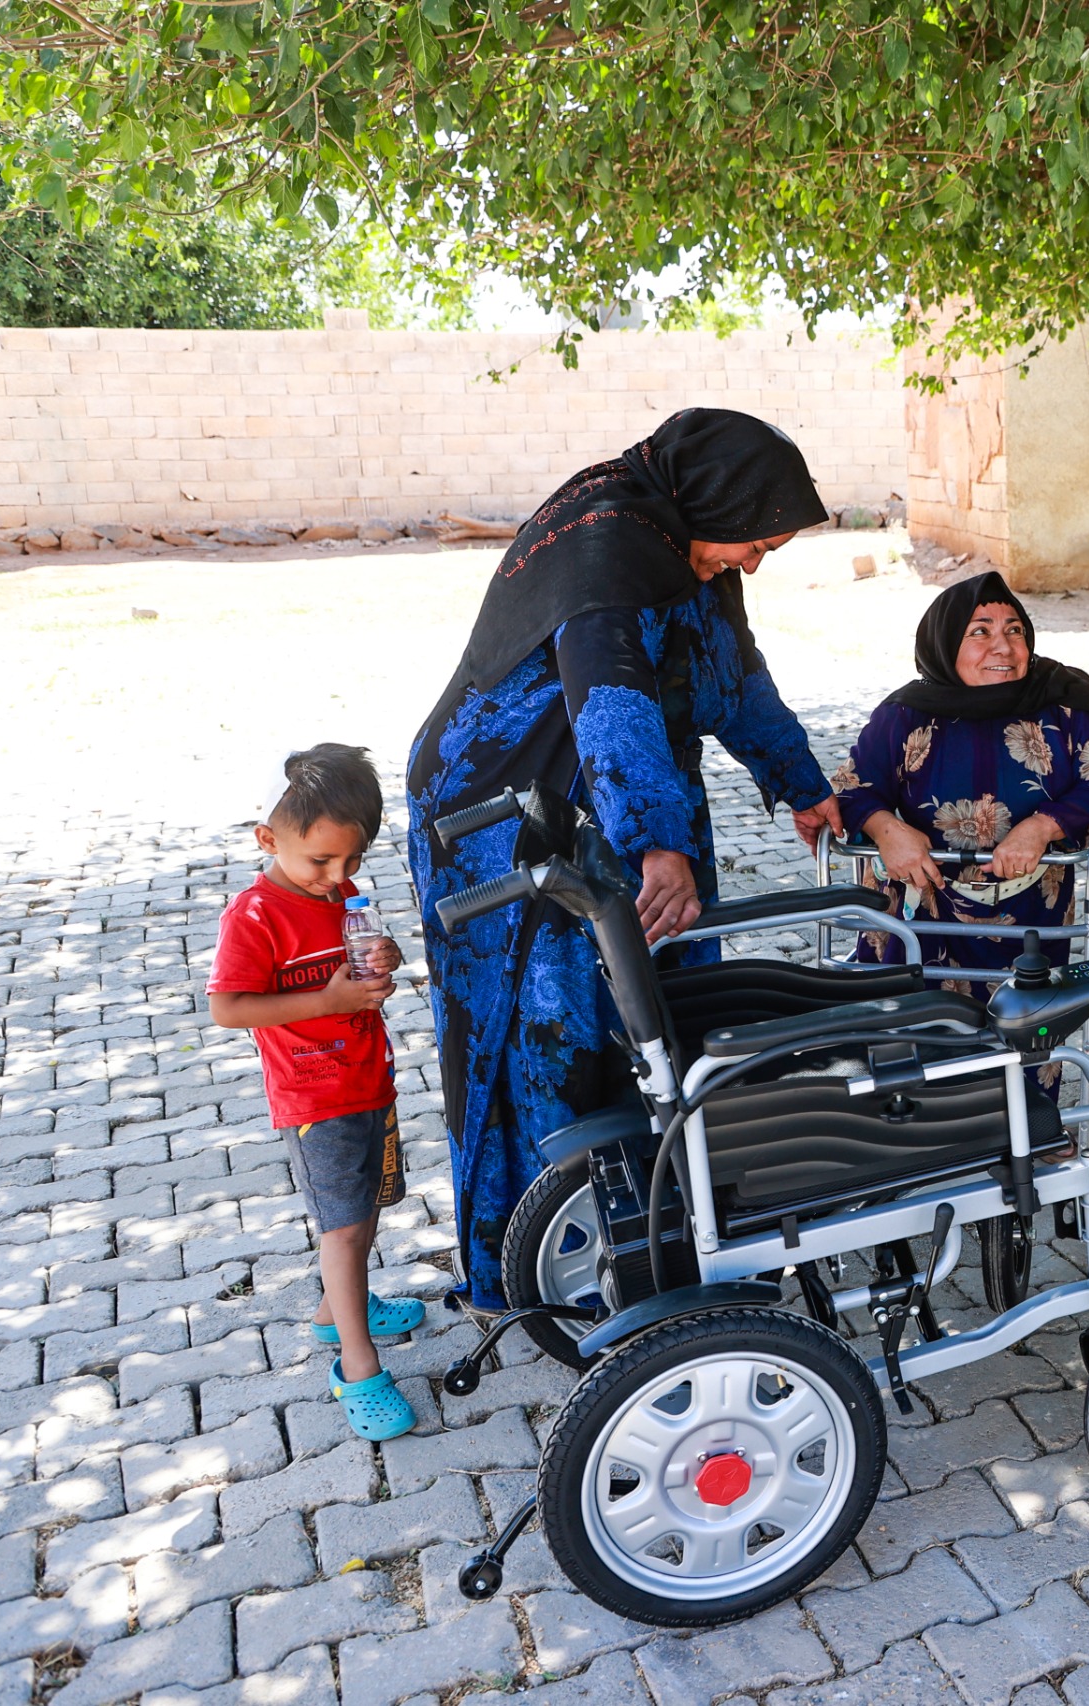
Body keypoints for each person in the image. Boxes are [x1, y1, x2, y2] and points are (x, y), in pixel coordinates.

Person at [407, 409, 844, 1311]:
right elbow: (611, 707)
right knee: (549, 1031)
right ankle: (551, 1271)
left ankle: (663, 1237)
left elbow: (730, 673)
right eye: (756, 543)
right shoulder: (608, 549)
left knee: (656, 1012)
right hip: (510, 815)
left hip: (618, 798)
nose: (755, 563)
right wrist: (658, 845)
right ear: (716, 504)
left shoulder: (679, 539)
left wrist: (802, 782)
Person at [210, 745, 423, 1440]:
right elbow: (228, 1008)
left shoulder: (341, 900)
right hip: (314, 1097)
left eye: (352, 859)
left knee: (368, 1205)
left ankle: (340, 1308)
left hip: (368, 1078)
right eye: (321, 861)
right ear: (268, 840)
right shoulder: (255, 915)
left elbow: (353, 971)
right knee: (342, 1227)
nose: (338, 877)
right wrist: (327, 1001)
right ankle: (357, 1368)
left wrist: (383, 958)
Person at [833, 571, 1089, 997]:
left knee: (1024, 1028)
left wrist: (1040, 827)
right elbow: (851, 788)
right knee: (914, 1030)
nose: (1003, 647)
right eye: (980, 632)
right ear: (945, 643)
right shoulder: (903, 715)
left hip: (1030, 916)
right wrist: (887, 830)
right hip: (920, 913)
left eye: (1014, 630)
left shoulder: (1062, 710)